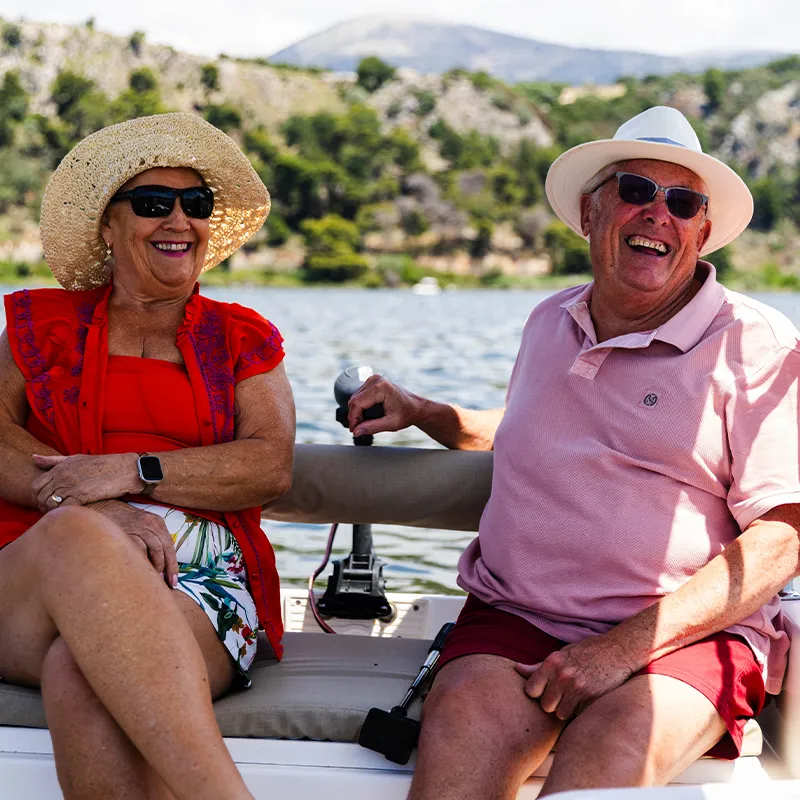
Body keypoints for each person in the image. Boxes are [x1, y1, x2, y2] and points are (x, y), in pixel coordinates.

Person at [347, 106, 800, 798]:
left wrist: (619, 650)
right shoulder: (550, 320)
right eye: (636, 192)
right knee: (458, 737)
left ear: (702, 233)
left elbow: (779, 538)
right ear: (591, 213)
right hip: (519, 615)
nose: (658, 214)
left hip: (685, 636)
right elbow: (531, 431)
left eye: (682, 202)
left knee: (609, 755)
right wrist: (426, 412)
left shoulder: (757, 343)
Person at [0, 113, 295, 799]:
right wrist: (96, 505)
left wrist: (133, 472)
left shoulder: (242, 338)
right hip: (29, 574)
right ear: (108, 226)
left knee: (84, 672)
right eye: (155, 203)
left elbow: (268, 465)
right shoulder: (37, 328)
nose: (180, 220)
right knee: (75, 531)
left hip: (197, 579)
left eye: (196, 205)